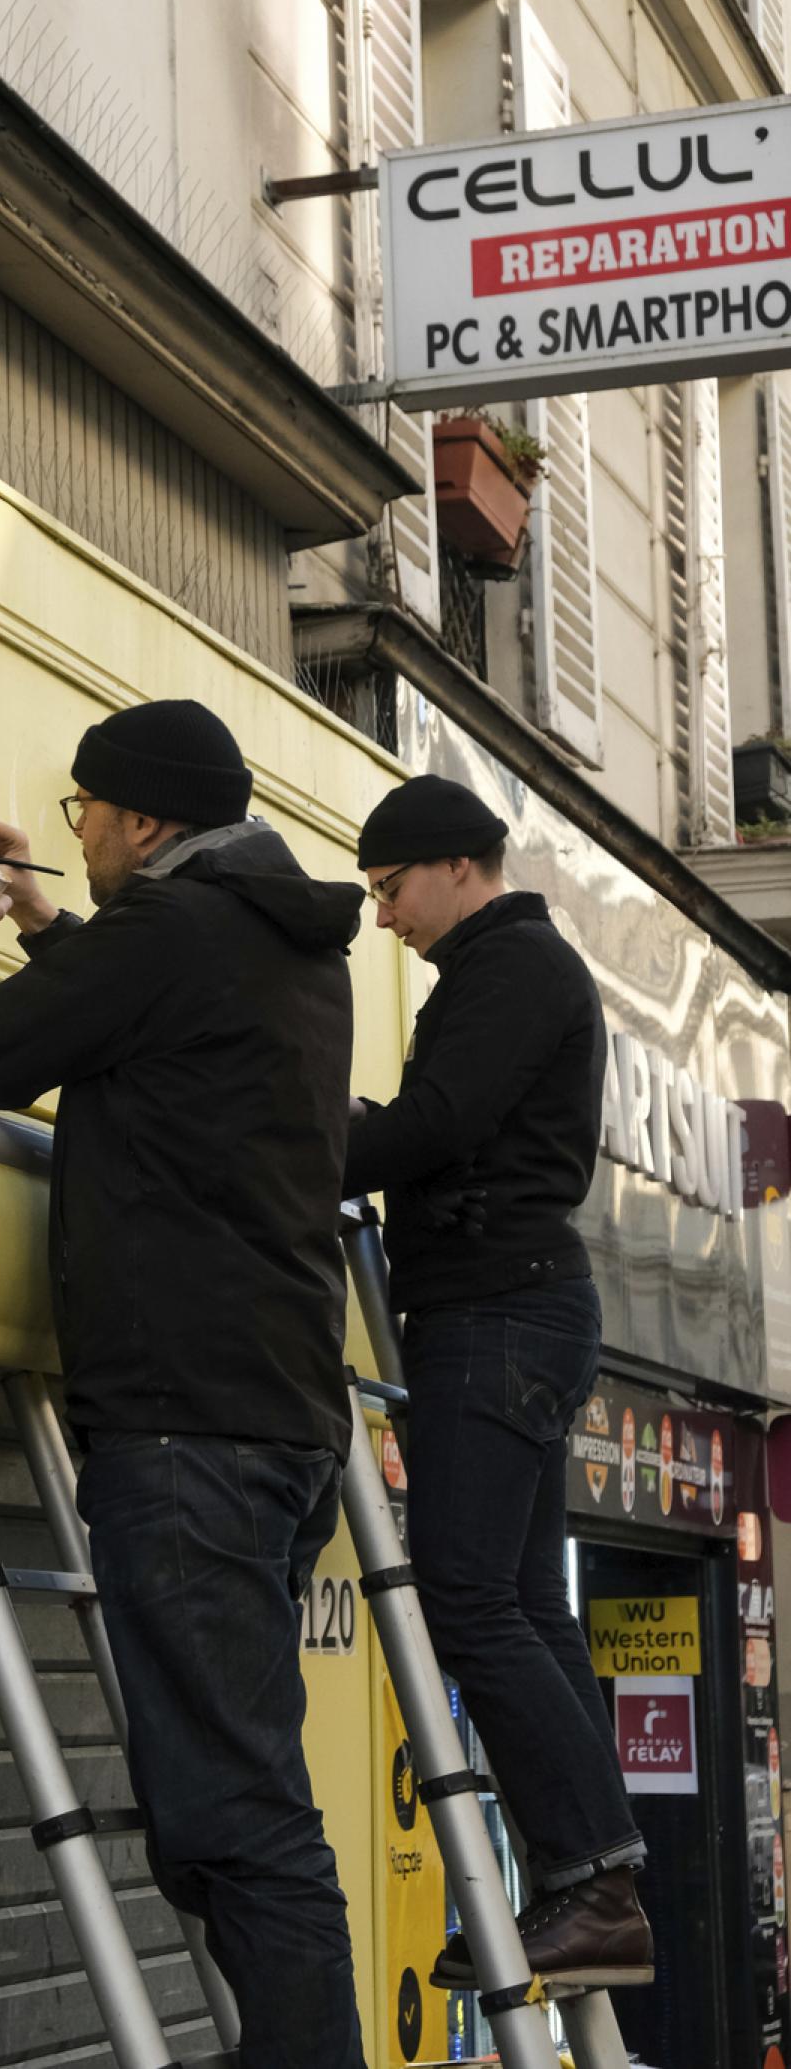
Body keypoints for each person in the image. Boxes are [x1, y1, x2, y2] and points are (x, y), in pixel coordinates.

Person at [0, 697, 369, 2069]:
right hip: (278, 1419)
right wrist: (49, 925)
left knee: (233, 1810)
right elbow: (144, 1015)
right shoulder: (281, 945)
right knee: (225, 1796)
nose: (80, 831)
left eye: (86, 813)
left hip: (188, 1428)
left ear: (146, 821)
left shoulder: (173, 934)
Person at [342, 772, 654, 1991]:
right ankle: (594, 1886)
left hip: (495, 1316)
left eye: (389, 887)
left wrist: (302, 1130)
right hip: (512, 1311)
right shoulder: (503, 974)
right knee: (521, 1604)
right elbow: (444, 1122)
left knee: (469, 1598)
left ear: (455, 866)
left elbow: (438, 1122)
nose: (382, 917)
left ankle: (592, 1881)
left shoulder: (508, 969)